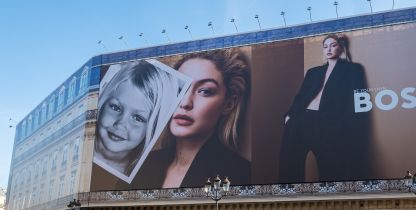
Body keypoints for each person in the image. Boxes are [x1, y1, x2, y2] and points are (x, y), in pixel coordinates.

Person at [131, 49, 251, 188]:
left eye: (205, 91)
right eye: (179, 88)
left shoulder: (240, 173)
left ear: (228, 104)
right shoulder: (141, 165)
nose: (185, 103)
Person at [279, 34, 373, 183]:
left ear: (341, 48)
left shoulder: (353, 70)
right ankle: (289, 200)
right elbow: (301, 96)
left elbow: (357, 99)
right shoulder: (313, 72)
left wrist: (344, 125)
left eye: (333, 45)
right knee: (290, 165)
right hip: (301, 120)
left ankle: (330, 202)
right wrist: (289, 115)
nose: (328, 49)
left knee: (331, 169)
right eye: (325, 46)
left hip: (328, 123)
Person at [93, 59, 180, 178]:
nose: (121, 124)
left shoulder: (146, 176)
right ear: (103, 104)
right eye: (115, 107)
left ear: (153, 128)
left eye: (138, 118)